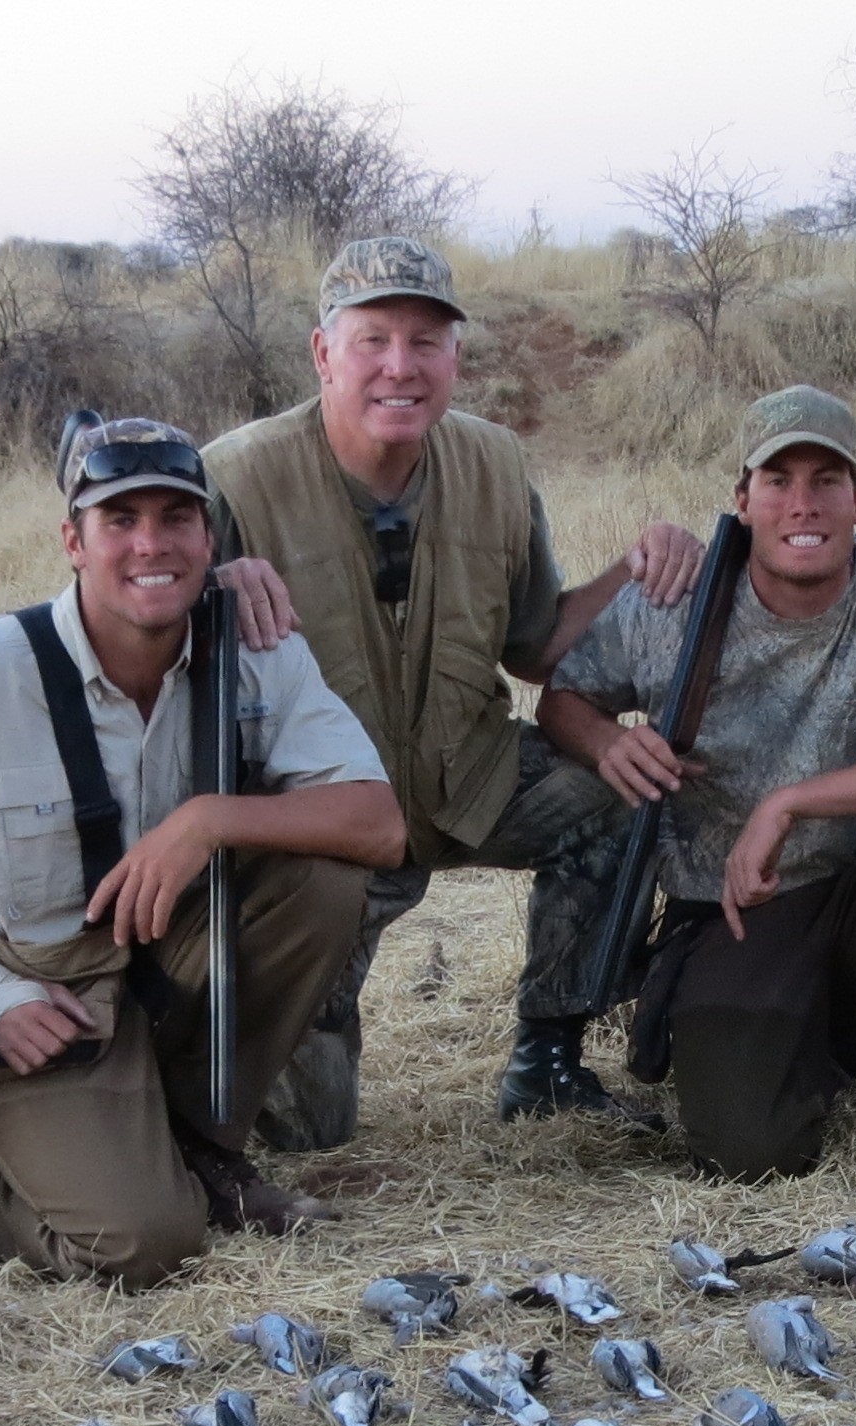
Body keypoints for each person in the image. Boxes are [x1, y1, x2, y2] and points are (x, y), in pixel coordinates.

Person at [0, 415, 402, 1285]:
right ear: (73, 542)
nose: (150, 545)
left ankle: (199, 1149)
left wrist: (207, 818)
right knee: (142, 1246)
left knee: (321, 877)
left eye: (176, 517)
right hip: (29, 1006)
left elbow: (379, 825)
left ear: (210, 536)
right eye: (120, 520)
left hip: (150, 979)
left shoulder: (254, 652)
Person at [204, 235, 703, 1148]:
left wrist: (634, 571)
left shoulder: (495, 465)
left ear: (456, 359)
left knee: (620, 796)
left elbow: (537, 645)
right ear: (323, 353)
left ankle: (548, 1058)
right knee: (306, 1129)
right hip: (327, 821)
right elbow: (132, 639)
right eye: (373, 340)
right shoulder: (231, 476)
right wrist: (207, 597)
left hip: (471, 776)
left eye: (426, 341)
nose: (401, 366)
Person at [536, 385, 856, 1181]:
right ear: (742, 500)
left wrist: (789, 803)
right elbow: (562, 699)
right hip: (734, 908)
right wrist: (603, 745)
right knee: (749, 1152)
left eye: (827, 480)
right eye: (778, 480)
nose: (804, 504)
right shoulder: (674, 596)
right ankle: (811, 1039)